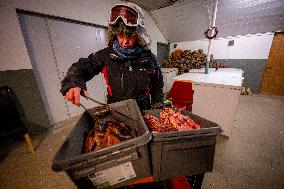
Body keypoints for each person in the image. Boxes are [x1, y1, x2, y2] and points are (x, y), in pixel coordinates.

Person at [60, 2, 164, 110]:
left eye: (130, 36)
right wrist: (73, 82)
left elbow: (157, 86)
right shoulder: (106, 55)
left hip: (143, 108)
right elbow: (83, 66)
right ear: (115, 34)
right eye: (120, 35)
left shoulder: (149, 58)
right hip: (116, 109)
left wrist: (158, 107)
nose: (125, 42)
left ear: (139, 36)